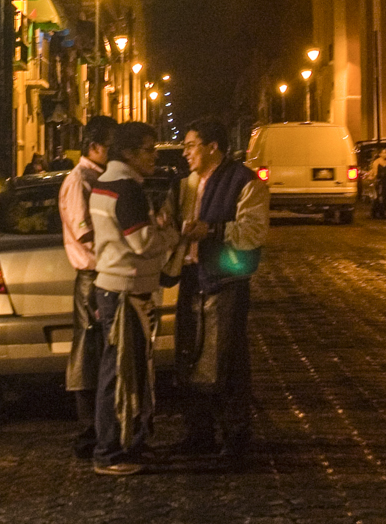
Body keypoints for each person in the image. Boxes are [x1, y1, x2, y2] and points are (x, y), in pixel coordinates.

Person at [175, 116, 268, 463]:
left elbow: (253, 232)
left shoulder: (245, 183)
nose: (185, 152)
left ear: (212, 147)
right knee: (191, 353)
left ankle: (236, 434)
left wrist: (212, 231)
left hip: (226, 280)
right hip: (192, 278)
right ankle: (198, 432)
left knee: (227, 359)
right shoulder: (187, 184)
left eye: (190, 145)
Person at [88, 122, 177, 476]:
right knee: (120, 373)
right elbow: (142, 243)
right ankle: (109, 451)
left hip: (115, 286)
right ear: (127, 153)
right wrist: (169, 232)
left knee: (129, 371)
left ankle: (130, 443)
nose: (154, 156)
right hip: (126, 290)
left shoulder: (104, 184)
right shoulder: (128, 190)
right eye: (148, 150)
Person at [57, 114, 119, 460]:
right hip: (93, 276)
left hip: (102, 273)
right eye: (111, 146)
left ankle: (101, 423)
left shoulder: (99, 177)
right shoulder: (80, 180)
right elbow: (86, 232)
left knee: (102, 349)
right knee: (89, 350)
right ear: (94, 147)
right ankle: (88, 428)